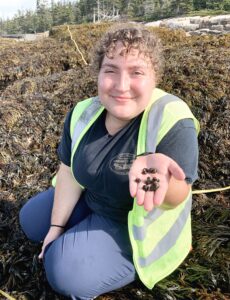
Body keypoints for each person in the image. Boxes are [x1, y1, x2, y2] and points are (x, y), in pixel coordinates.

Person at [19, 23, 199, 300]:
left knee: (64, 272)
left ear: (155, 78)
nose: (121, 85)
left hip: (136, 224)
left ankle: (116, 257)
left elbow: (177, 196)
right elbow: (68, 171)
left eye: (136, 72)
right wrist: (57, 226)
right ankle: (84, 233)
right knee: (31, 220)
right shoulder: (82, 112)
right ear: (98, 74)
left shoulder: (172, 118)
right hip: (95, 199)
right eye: (111, 70)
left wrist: (161, 180)